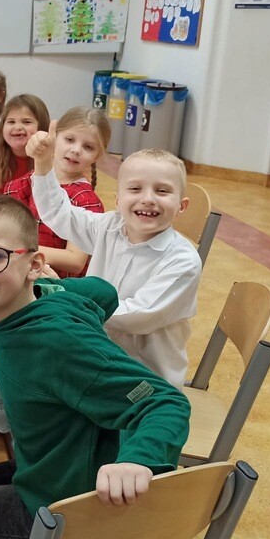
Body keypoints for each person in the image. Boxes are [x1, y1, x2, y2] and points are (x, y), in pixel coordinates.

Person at [0, 194, 190, 539]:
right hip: (58, 463)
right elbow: (102, 291)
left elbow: (162, 402)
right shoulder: (40, 296)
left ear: (34, 264)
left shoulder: (55, 343)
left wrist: (137, 460)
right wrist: (54, 288)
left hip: (74, 509)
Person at [29, 133, 201, 388]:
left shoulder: (183, 260)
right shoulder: (109, 226)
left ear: (181, 206)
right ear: (118, 201)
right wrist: (43, 163)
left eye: (162, 191)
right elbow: (58, 213)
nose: (148, 198)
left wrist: (65, 293)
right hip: (95, 358)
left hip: (144, 379)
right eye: (135, 188)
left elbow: (139, 316)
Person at [4, 107, 109, 278]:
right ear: (55, 137)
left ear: (96, 156)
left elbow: (75, 261)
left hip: (56, 284)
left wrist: (18, 250)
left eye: (88, 147)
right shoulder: (32, 179)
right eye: (69, 139)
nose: (76, 150)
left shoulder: (86, 200)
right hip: (22, 272)